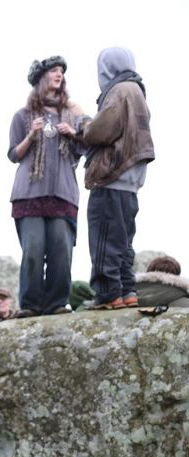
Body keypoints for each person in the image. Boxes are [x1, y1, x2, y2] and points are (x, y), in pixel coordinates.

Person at [7, 55, 87, 318]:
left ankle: (56, 303)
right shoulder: (22, 115)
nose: (59, 74)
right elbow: (13, 155)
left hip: (63, 193)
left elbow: (83, 150)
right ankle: (30, 304)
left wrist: (73, 133)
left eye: (61, 71)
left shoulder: (71, 115)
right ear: (41, 77)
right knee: (33, 249)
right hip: (29, 193)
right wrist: (31, 134)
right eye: (54, 70)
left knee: (61, 251)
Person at [81, 47, 155, 310]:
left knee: (104, 239)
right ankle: (127, 291)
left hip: (112, 175)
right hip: (130, 182)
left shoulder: (120, 90)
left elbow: (100, 132)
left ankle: (107, 294)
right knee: (123, 242)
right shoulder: (138, 91)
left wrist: (84, 125)